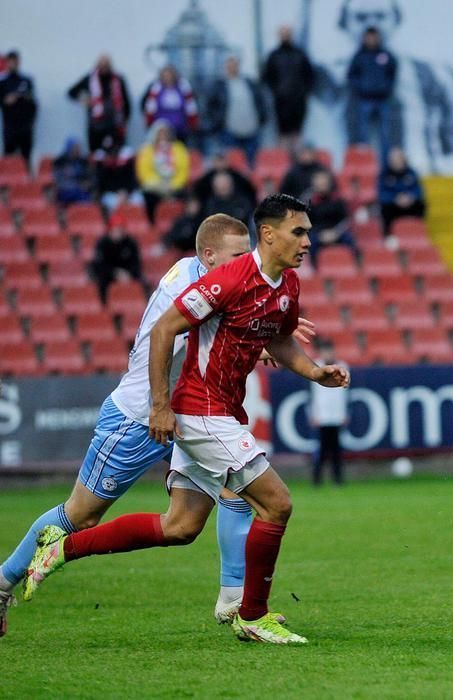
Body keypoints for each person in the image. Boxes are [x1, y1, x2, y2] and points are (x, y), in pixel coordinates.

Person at [24, 195, 349, 645]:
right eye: (300, 232)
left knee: (180, 527)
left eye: (310, 231)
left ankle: (62, 549)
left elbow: (277, 338)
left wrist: (315, 372)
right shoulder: (229, 279)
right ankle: (250, 613)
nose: (308, 241)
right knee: (276, 502)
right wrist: (160, 405)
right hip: (201, 412)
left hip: (223, 411)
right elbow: (164, 329)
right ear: (269, 234)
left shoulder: (287, 285)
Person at [0, 215, 273, 638]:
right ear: (208, 255)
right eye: (239, 255)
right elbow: (169, 345)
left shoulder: (212, 276)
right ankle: (2, 584)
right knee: (80, 515)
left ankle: (233, 601)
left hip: (193, 416)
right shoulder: (184, 288)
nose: (247, 262)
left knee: (228, 495)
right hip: (141, 415)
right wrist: (160, 408)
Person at [204, 55, 268, 167]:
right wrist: (217, 123)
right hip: (229, 132)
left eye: (235, 65)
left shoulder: (249, 83)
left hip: (252, 131)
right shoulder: (219, 85)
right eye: (230, 65)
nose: (232, 68)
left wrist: (262, 119)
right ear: (225, 67)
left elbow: (261, 102)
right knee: (233, 164)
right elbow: (209, 107)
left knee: (252, 164)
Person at [346, 26, 399, 157]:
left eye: (374, 36)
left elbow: (393, 73)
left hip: (383, 99)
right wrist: (361, 87)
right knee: (363, 136)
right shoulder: (359, 56)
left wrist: (386, 87)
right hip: (364, 100)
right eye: (368, 37)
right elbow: (351, 75)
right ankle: (365, 167)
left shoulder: (386, 55)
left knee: (385, 135)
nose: (371, 40)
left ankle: (386, 167)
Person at [262, 25, 315, 151]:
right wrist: (278, 91)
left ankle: (299, 165)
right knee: (283, 134)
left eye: (288, 33)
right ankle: (283, 165)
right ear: (279, 36)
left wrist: (303, 92)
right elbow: (267, 77)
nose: (286, 36)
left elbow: (310, 76)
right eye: (283, 33)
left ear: (292, 35)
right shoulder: (273, 56)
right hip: (281, 102)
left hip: (299, 102)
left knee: (297, 134)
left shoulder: (300, 54)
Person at [68, 54, 131, 153]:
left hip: (115, 125)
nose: (104, 67)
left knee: (117, 153)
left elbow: (126, 102)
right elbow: (71, 92)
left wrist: (125, 120)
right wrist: (84, 100)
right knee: (96, 155)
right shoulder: (90, 79)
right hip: (96, 126)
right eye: (102, 64)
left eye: (106, 64)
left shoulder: (118, 79)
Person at [308, 339, 349, 487]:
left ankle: (337, 479)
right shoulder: (315, 367)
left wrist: (344, 413)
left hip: (336, 416)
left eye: (330, 351)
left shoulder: (342, 366)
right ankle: (317, 479)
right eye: (325, 351)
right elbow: (313, 394)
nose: (328, 354)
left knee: (337, 450)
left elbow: (343, 394)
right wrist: (314, 414)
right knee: (322, 450)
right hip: (322, 417)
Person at [136, 119, 190, 225]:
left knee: (188, 197)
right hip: (155, 187)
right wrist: (159, 185)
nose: (163, 136)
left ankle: (182, 225)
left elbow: (184, 170)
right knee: (148, 197)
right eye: (160, 133)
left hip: (174, 186)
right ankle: (152, 225)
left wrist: (173, 185)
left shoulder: (179, 148)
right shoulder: (147, 150)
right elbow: (143, 172)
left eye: (165, 133)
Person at [306, 170, 359, 266]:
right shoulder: (309, 202)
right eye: (319, 183)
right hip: (319, 233)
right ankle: (315, 269)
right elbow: (307, 224)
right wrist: (321, 235)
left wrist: (336, 233)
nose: (322, 185)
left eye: (324, 183)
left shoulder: (338, 200)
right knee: (310, 242)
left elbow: (346, 221)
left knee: (350, 240)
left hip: (337, 232)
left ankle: (355, 266)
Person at [89, 213, 143, 304]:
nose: (118, 232)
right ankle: (105, 307)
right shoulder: (102, 243)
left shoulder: (130, 243)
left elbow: (136, 263)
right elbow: (99, 265)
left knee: (142, 283)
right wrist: (115, 273)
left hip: (127, 274)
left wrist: (129, 274)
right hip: (108, 275)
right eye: (115, 229)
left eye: (121, 229)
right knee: (101, 282)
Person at [143, 65, 199, 144]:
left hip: (180, 129)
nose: (168, 77)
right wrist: (149, 123)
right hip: (161, 130)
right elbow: (148, 107)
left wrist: (193, 123)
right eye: (165, 75)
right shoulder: (155, 89)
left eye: (170, 74)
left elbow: (191, 107)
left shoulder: (184, 87)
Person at [0, 50, 37, 166]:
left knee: (26, 159)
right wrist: (6, 100)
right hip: (10, 127)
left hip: (25, 127)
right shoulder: (3, 82)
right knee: (9, 159)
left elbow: (33, 103)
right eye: (11, 61)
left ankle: (28, 183)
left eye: (16, 61)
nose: (14, 63)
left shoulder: (26, 81)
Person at [378, 147, 426, 235]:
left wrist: (410, 197)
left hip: (409, 205)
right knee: (384, 208)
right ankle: (388, 235)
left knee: (421, 204)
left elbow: (419, 191)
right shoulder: (384, 174)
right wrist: (395, 199)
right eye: (394, 159)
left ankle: (418, 231)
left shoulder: (411, 173)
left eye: (399, 158)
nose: (397, 161)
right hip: (393, 206)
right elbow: (381, 194)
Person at [192, 152, 257, 213]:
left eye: (222, 161)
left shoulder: (236, 175)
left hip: (235, 203)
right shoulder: (207, 178)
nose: (220, 164)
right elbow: (198, 191)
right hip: (214, 205)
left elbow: (249, 189)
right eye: (218, 161)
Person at [52, 138, 93, 205]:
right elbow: (57, 179)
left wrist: (87, 183)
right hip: (64, 190)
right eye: (75, 147)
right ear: (70, 147)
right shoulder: (60, 161)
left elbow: (88, 177)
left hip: (80, 190)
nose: (78, 149)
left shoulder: (82, 161)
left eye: (79, 147)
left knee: (85, 198)